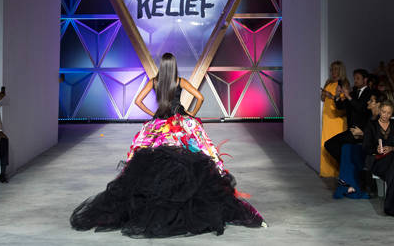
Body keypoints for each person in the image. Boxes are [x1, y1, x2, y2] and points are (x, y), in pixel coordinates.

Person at [71, 53, 265, 237]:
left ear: (162, 67)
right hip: (179, 123)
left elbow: (138, 101)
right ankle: (187, 202)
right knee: (189, 159)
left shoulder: (154, 82)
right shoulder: (180, 81)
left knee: (154, 161)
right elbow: (200, 97)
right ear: (174, 67)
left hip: (159, 124)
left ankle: (154, 203)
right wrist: (190, 113)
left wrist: (153, 114)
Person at [362, 100, 394, 216]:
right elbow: (365, 147)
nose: (385, 115)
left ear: (392, 113)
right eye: (384, 112)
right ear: (380, 111)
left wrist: (391, 148)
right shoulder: (371, 125)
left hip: (392, 160)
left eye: (388, 113)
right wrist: (376, 149)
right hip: (377, 161)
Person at [324, 69, 372, 165]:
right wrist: (337, 95)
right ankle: (347, 164)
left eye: (358, 78)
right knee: (329, 144)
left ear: (365, 80)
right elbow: (340, 107)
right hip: (351, 130)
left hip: (363, 130)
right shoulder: (353, 93)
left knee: (331, 144)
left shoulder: (370, 93)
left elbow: (361, 108)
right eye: (354, 78)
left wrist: (348, 96)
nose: (355, 81)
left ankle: (348, 164)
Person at [319, 61, 348, 177]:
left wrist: (330, 95)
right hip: (327, 117)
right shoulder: (329, 82)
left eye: (336, 69)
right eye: (331, 69)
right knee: (325, 142)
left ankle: (338, 171)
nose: (333, 72)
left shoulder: (344, 83)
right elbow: (323, 99)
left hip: (337, 118)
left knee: (336, 144)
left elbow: (344, 101)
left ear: (340, 70)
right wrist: (323, 94)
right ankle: (327, 171)